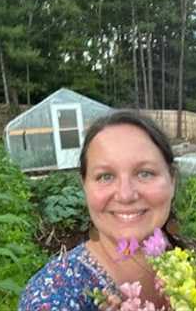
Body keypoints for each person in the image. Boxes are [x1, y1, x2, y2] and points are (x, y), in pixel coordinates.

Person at [19, 111, 176, 310]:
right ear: (84, 185)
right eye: (105, 176)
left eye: (145, 173)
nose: (125, 195)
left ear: (172, 181)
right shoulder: (52, 297)